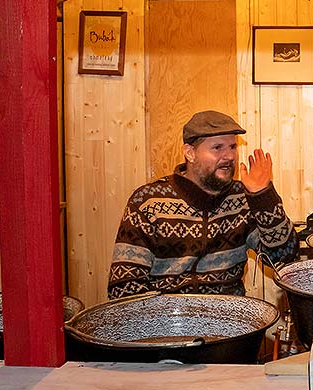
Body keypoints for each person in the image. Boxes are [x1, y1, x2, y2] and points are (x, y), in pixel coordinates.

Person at [108, 110, 298, 299]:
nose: (229, 156)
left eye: (232, 147)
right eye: (217, 148)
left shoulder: (242, 198)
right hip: (168, 322)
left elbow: (283, 256)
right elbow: (123, 288)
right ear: (190, 153)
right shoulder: (148, 202)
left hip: (230, 320)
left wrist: (262, 198)